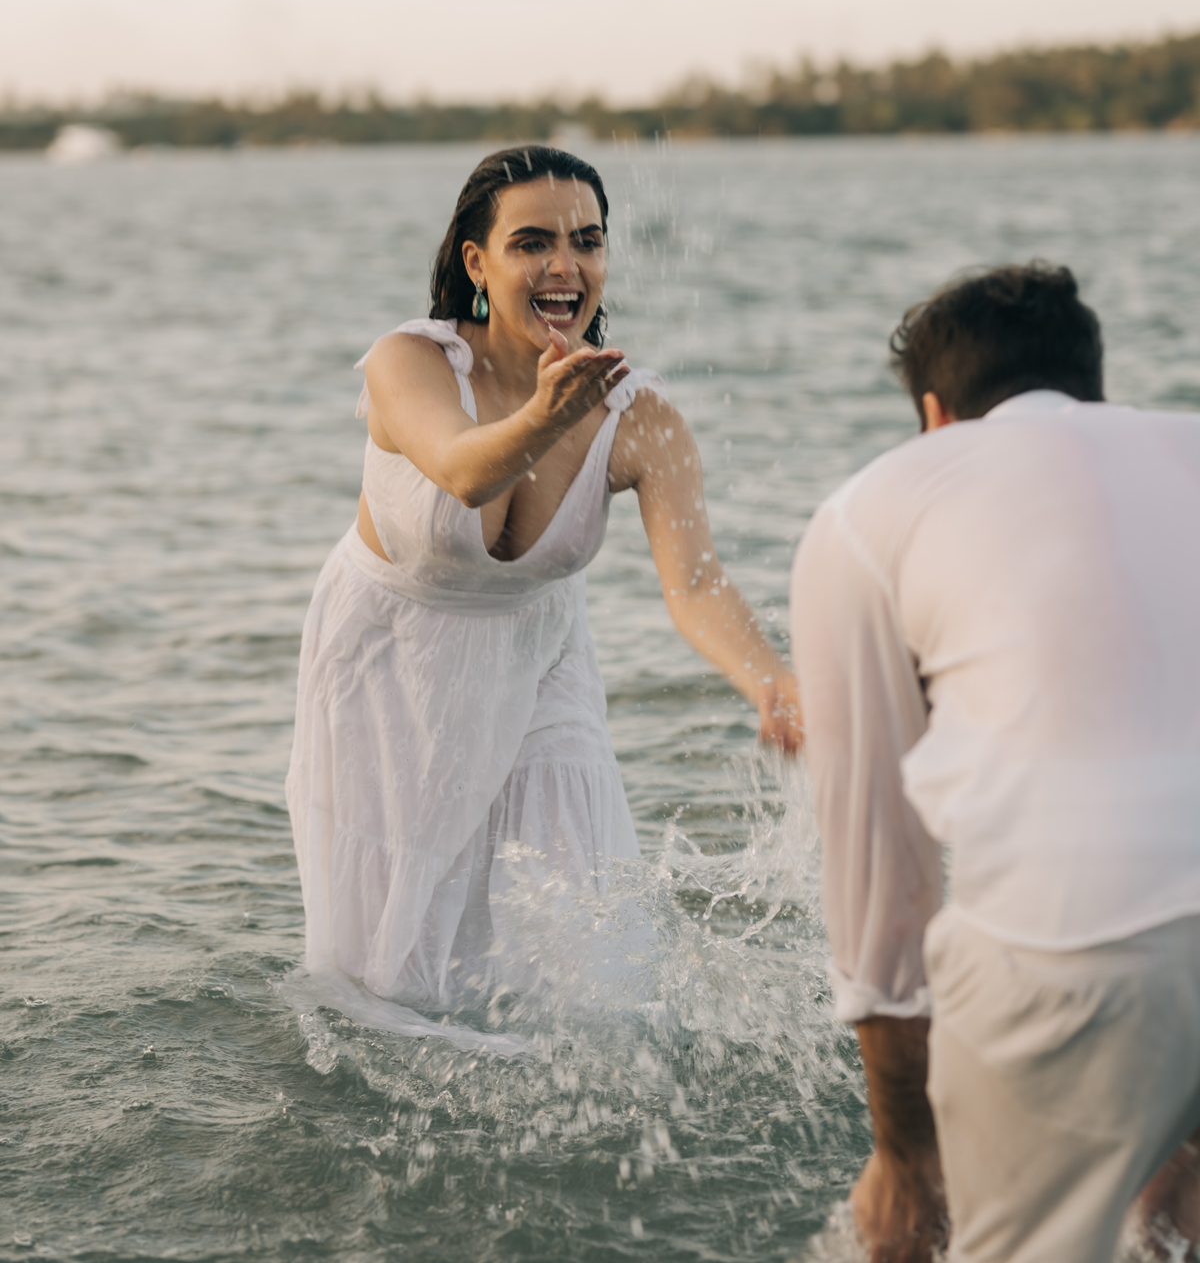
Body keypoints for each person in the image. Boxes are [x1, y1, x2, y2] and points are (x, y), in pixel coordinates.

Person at [287, 144, 800, 1011]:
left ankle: (580, 1079)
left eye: (588, 242)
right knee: (394, 967)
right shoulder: (406, 364)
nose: (566, 265)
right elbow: (460, 469)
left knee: (577, 938)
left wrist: (774, 683)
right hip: (391, 657)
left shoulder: (641, 415)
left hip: (542, 649)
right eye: (532, 243)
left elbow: (698, 586)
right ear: (476, 262)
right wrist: (540, 415)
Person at [789, 262, 1200, 1263]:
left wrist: (906, 1160)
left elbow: (882, 884)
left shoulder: (868, 508)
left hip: (1076, 950)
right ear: (1093, 388)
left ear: (935, 415)